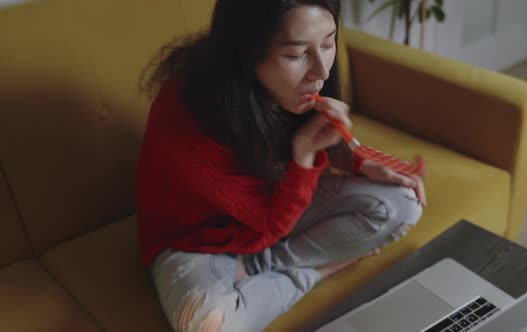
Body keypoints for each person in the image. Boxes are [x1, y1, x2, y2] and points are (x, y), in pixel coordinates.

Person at [136, 0, 426, 331]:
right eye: (295, 55)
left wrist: (358, 162)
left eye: (329, 43)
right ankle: (314, 272)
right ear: (247, 54)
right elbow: (267, 225)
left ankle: (264, 268)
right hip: (199, 241)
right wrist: (303, 156)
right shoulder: (186, 122)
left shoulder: (298, 84)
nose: (321, 72)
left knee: (405, 203)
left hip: (276, 211)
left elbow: (308, 147)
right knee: (208, 326)